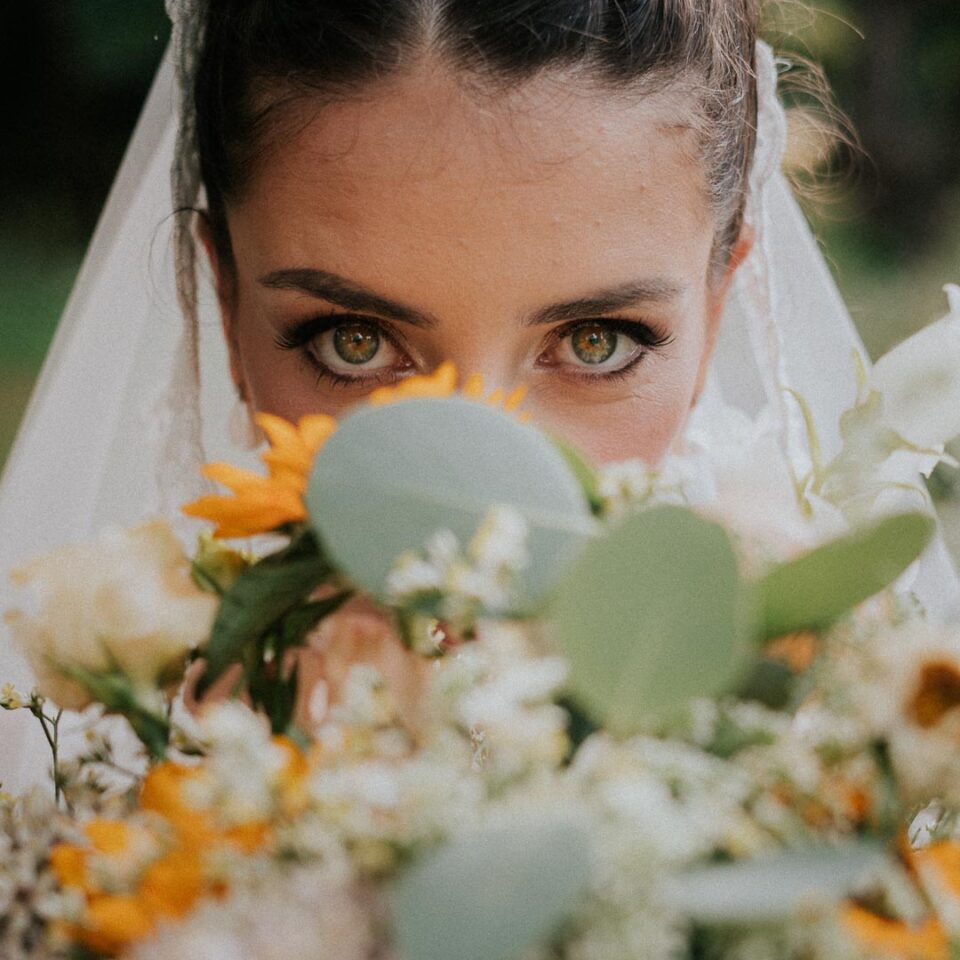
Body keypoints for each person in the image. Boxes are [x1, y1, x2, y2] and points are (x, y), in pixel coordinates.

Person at [0, 0, 956, 794]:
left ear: (719, 301)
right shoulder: (87, 787)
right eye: (355, 342)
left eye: (596, 342)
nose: (482, 484)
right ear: (222, 295)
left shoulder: (852, 754)